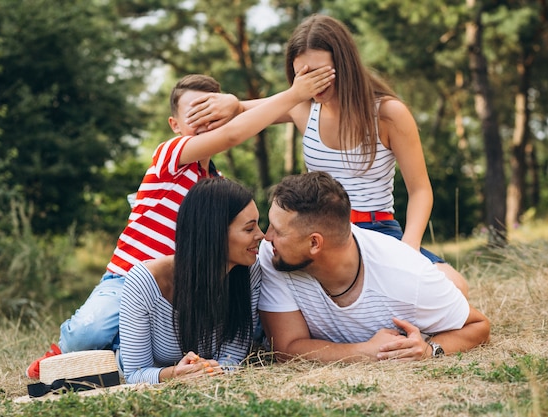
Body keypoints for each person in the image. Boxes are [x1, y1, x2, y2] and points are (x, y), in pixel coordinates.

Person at [26, 67, 335, 379]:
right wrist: (295, 95)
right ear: (175, 125)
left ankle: (140, 352)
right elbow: (232, 135)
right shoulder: (171, 157)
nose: (205, 122)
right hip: (130, 277)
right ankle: (64, 352)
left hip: (189, 283)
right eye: (195, 113)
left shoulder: (218, 185)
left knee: (242, 320)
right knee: (89, 331)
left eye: (212, 113)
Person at [185, 14, 469, 297]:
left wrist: (409, 250)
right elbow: (247, 111)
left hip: (377, 229)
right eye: (303, 75)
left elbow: (420, 190)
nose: (313, 84)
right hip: (312, 233)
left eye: (321, 73)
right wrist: (232, 103)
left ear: (345, 65)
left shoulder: (388, 114)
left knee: (455, 288)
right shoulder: (302, 107)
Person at [258, 171, 489, 363]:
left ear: (314, 243)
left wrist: (430, 351)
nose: (265, 236)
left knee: (456, 285)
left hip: (413, 277)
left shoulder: (408, 275)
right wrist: (365, 351)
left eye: (277, 230)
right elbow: (286, 349)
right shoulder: (274, 254)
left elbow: (479, 326)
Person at [119, 178, 264, 383]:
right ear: (213, 233)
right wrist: (175, 374)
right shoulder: (145, 281)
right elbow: (134, 374)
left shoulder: (250, 271)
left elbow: (231, 360)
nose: (262, 235)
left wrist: (210, 371)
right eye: (249, 229)